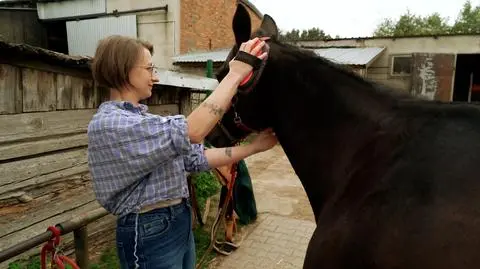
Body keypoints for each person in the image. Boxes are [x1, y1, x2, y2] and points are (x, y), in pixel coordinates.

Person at [86, 35, 277, 269]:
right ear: (124, 69)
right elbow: (194, 131)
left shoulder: (142, 120)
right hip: (148, 230)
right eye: (149, 68)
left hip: (176, 220)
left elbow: (197, 158)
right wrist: (235, 74)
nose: (154, 76)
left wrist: (254, 147)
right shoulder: (112, 124)